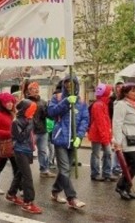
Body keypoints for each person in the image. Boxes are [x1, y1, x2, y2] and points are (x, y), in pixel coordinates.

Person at [47, 75, 88, 209]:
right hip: (60, 139)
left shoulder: (81, 103)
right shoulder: (57, 98)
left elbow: (84, 120)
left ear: (76, 85)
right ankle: (72, 198)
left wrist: (79, 137)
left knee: (66, 170)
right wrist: (65, 102)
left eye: (72, 84)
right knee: (64, 169)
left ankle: (55, 191)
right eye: (67, 84)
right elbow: (51, 112)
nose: (69, 86)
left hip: (73, 141)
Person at [6, 99, 42, 214]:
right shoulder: (16, 122)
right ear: (24, 110)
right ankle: (28, 202)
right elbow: (20, 138)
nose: (32, 112)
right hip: (20, 150)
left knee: (20, 173)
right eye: (31, 110)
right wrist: (30, 125)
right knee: (28, 177)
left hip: (28, 150)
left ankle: (11, 194)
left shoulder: (29, 119)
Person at [112, 83, 135, 200]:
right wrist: (118, 142)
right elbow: (117, 123)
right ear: (125, 93)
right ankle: (121, 186)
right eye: (132, 91)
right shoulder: (121, 105)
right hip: (126, 140)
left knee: (130, 166)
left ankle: (127, 188)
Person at [0, 92, 18, 194]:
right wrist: (9, 133)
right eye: (7, 102)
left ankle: (19, 186)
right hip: (2, 144)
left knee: (16, 166)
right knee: (0, 165)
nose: (10, 104)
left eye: (11, 101)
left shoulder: (13, 114)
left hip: (13, 143)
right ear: (2, 103)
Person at [24, 81, 54, 178]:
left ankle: (44, 170)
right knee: (28, 151)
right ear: (29, 91)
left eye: (37, 88)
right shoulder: (26, 102)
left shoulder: (43, 102)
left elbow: (47, 115)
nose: (36, 90)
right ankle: (24, 170)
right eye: (33, 88)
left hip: (42, 131)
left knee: (43, 151)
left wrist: (50, 109)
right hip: (31, 131)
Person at [88, 83, 117, 182]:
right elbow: (101, 123)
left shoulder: (102, 104)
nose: (111, 93)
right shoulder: (99, 105)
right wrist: (106, 137)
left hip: (101, 134)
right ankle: (96, 174)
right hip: (98, 134)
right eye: (110, 91)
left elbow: (105, 122)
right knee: (98, 154)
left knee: (106, 153)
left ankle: (106, 173)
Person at [109, 82, 124, 177]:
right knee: (117, 146)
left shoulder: (124, 100)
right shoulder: (112, 101)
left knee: (120, 146)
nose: (119, 90)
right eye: (117, 88)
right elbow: (111, 115)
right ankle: (115, 167)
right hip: (115, 125)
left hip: (122, 125)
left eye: (121, 88)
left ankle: (118, 166)